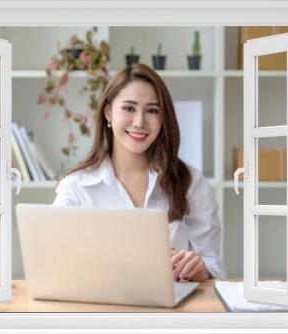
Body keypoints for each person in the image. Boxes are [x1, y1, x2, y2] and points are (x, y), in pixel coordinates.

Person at [53, 63, 226, 281]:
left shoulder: (192, 183)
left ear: (163, 118)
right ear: (108, 112)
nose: (139, 122)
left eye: (152, 110)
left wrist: (202, 270)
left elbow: (214, 265)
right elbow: (57, 267)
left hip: (174, 311)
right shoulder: (76, 188)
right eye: (129, 108)